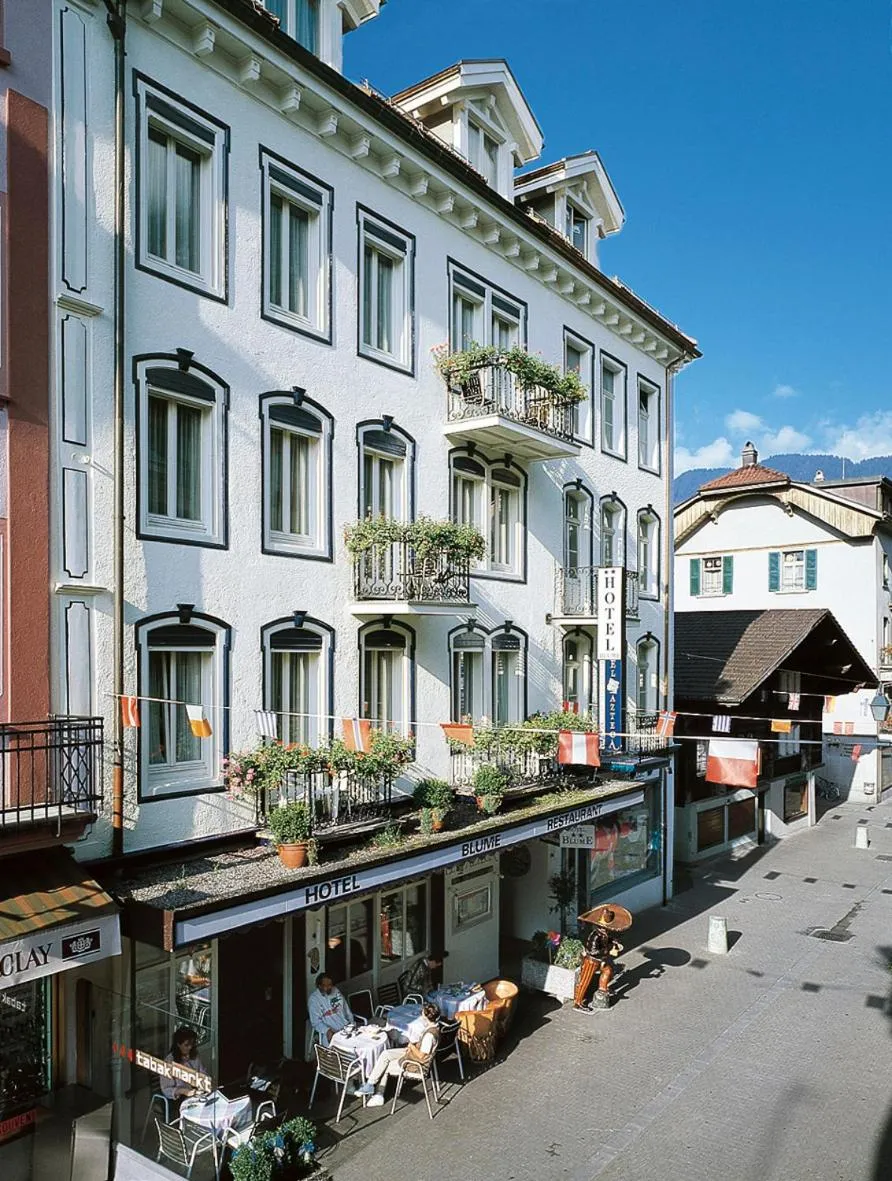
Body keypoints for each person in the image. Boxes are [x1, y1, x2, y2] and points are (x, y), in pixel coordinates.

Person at [358, 1002, 440, 1107]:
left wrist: (411, 1046)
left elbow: (422, 1056)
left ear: (425, 1015)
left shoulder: (430, 1035)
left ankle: (379, 1095)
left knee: (384, 1066)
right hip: (411, 1054)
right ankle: (370, 1084)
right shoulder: (434, 1027)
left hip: (415, 1064)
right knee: (386, 1054)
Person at [573, 903, 632, 1012]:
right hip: (592, 961)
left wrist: (614, 942)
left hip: (600, 960)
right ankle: (578, 1002)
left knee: (608, 970)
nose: (607, 930)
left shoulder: (604, 934)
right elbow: (593, 951)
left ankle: (603, 989)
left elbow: (608, 940)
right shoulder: (595, 936)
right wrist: (607, 950)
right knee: (585, 980)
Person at [160, 1027, 206, 1108]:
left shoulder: (194, 1055)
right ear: (178, 1044)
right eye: (186, 1045)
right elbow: (166, 1090)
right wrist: (184, 1091)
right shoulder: (169, 1062)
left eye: (192, 1044)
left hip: (195, 1093)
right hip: (178, 1098)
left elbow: (203, 1073)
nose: (190, 1047)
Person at [307, 972, 353, 1043]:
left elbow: (347, 1010)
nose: (330, 987)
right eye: (327, 985)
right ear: (319, 986)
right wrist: (327, 1030)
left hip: (346, 1028)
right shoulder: (314, 999)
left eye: (330, 984)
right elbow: (315, 1022)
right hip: (331, 1033)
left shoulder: (336, 991)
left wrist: (352, 1024)